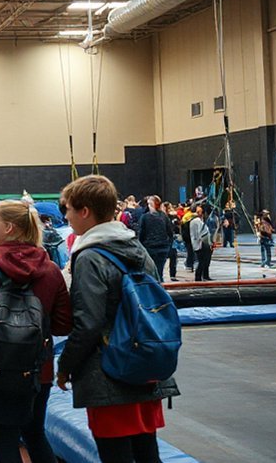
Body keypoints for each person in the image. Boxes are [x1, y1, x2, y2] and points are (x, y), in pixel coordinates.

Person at [56, 175, 179, 463]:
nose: (67, 217)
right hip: (145, 364)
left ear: (85, 211)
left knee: (116, 455)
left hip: (109, 371)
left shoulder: (89, 258)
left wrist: (66, 366)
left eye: (69, 210)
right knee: (147, 452)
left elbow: (88, 323)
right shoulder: (137, 248)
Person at [0, 199, 72, 463]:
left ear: (8, 228)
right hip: (36, 371)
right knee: (35, 435)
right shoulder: (50, 269)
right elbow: (64, 324)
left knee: (4, 440)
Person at [137, 195, 174, 282]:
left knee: (150, 272)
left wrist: (140, 246)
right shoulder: (164, 216)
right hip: (163, 247)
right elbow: (170, 232)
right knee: (159, 272)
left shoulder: (145, 217)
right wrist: (168, 245)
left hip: (150, 247)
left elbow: (141, 233)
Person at [190, 205, 213, 282]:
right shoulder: (196, 221)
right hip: (201, 244)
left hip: (203, 243)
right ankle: (199, 277)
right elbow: (201, 233)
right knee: (202, 261)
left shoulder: (199, 220)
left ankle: (205, 275)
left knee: (205, 261)